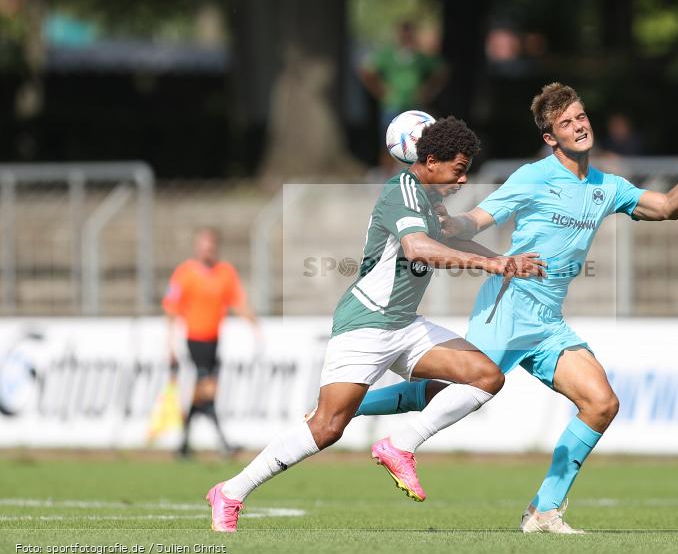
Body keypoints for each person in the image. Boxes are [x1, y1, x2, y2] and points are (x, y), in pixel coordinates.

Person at [352, 83, 678, 534]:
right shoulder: (533, 177)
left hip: (548, 322)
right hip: (509, 305)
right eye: (566, 123)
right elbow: (473, 221)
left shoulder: (608, 187)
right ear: (550, 138)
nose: (579, 126)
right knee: (444, 391)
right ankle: (346, 407)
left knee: (601, 403)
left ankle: (544, 511)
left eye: (581, 117)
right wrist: (449, 221)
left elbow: (669, 208)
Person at [206, 117, 544, 532]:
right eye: (458, 169)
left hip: (405, 324)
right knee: (327, 427)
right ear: (430, 161)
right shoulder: (402, 190)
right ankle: (232, 491)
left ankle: (400, 444)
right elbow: (418, 249)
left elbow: (449, 239)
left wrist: (505, 262)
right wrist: (489, 264)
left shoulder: (426, 198)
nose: (463, 178)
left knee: (485, 377)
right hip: (366, 323)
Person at [163, 227, 258, 459]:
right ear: (197, 247)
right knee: (208, 390)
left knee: (201, 394)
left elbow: (237, 301)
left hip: (214, 341)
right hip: (194, 340)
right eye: (203, 244)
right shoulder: (184, 273)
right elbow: (171, 309)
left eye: (211, 244)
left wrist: (254, 324)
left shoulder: (225, 272)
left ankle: (183, 445)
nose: (207, 249)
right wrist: (170, 344)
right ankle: (223, 443)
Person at [360, 21, 448, 174]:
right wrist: (379, 91)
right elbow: (367, 71)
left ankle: (417, 175)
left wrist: (428, 91)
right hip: (392, 104)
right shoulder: (388, 55)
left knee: (419, 141)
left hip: (414, 104)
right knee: (390, 141)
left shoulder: (420, 57)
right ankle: (387, 175)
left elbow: (441, 71)